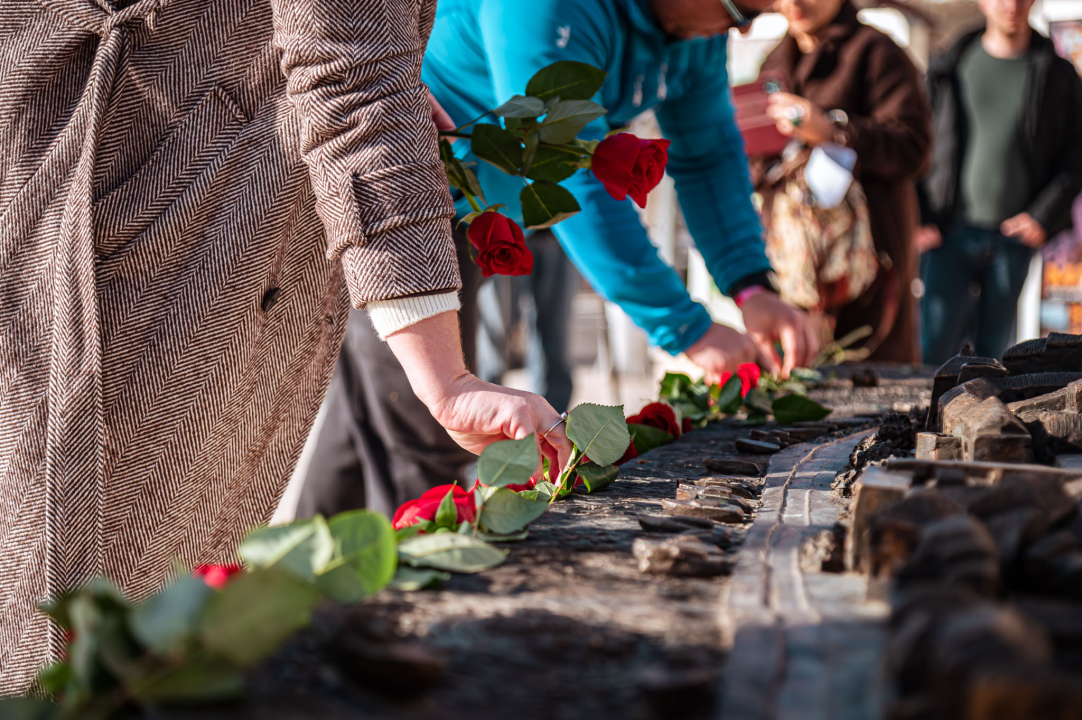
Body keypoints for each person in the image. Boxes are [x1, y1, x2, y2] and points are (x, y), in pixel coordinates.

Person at [0, 0, 569, 693]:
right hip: (130, 208)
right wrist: (444, 379)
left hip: (168, 197)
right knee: (79, 636)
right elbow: (352, 76)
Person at [296, 0, 822, 519]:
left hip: (481, 223)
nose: (740, 27)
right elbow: (576, 179)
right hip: (400, 218)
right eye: (740, 12)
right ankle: (395, 600)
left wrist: (752, 287)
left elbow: (708, 154)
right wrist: (687, 330)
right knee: (421, 436)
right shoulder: (546, 7)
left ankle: (275, 586)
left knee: (366, 416)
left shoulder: (699, 34)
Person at [753, 0, 932, 363]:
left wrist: (834, 133)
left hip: (870, 260)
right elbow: (758, 162)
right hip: (793, 261)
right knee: (796, 381)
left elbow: (914, 149)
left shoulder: (878, 52)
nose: (794, 3)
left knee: (875, 382)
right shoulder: (773, 61)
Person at [917, 0, 1082, 363]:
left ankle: (984, 423)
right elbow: (922, 144)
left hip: (1013, 238)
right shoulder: (951, 64)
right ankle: (929, 422)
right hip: (951, 233)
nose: (1011, 5)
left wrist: (1043, 215)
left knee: (996, 358)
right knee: (934, 352)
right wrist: (923, 215)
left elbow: (1075, 154)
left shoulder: (1057, 73)